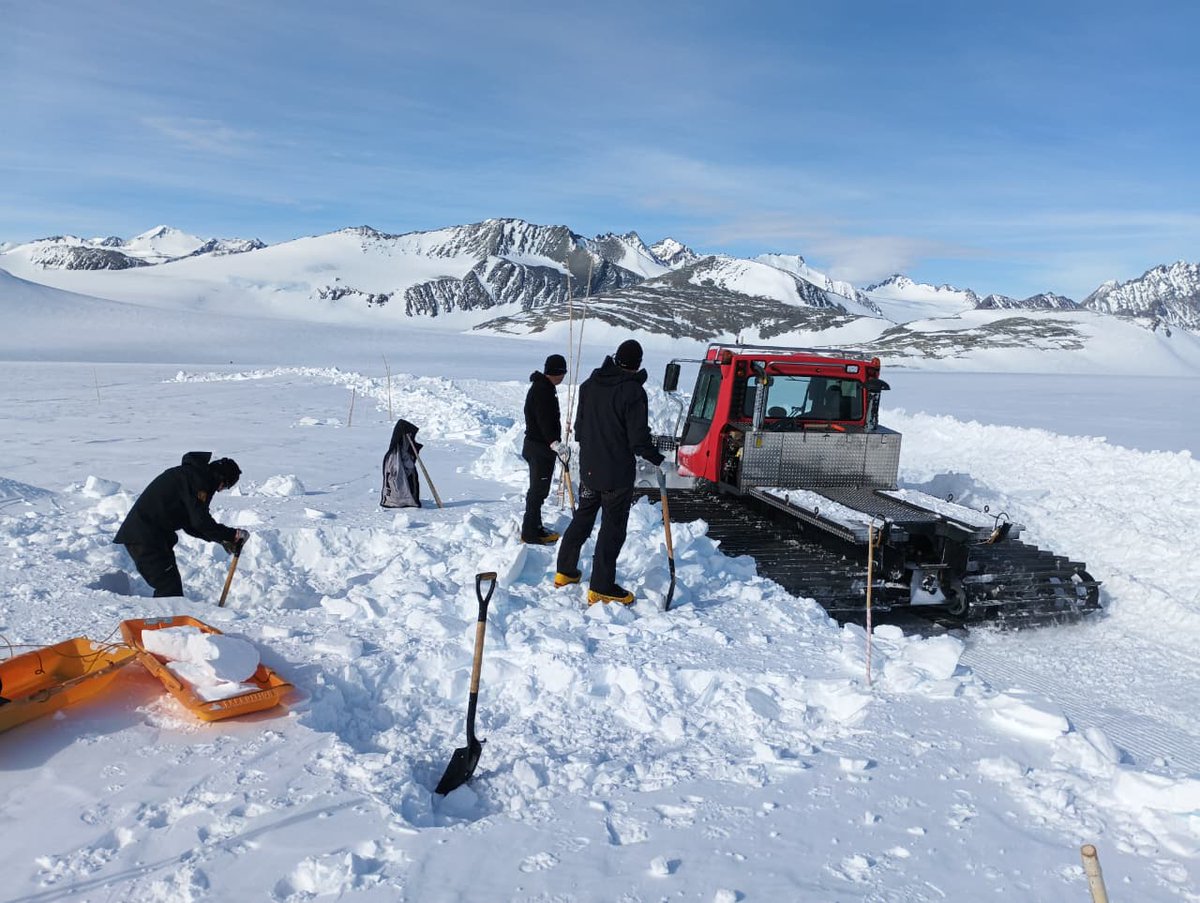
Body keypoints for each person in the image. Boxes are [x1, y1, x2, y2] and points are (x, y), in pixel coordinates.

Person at [554, 339, 665, 605]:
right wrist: (657, 458)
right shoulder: (632, 392)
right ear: (637, 364)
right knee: (612, 528)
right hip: (616, 473)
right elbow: (638, 439)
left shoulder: (589, 385)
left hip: (590, 468)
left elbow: (579, 430)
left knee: (583, 517)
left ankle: (565, 572)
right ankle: (602, 586)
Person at [114, 452, 247, 598]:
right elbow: (200, 521)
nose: (220, 490)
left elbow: (191, 524)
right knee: (168, 588)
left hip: (152, 536)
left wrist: (222, 539)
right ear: (222, 478)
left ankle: (167, 618)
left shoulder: (193, 476)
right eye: (226, 486)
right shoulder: (198, 480)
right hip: (145, 536)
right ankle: (163, 619)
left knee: (170, 587)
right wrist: (232, 535)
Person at [521, 353, 568, 543]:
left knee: (539, 490)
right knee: (537, 491)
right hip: (539, 448)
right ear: (556, 372)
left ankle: (536, 526)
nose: (564, 377)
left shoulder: (544, 387)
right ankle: (530, 533)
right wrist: (554, 443)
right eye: (562, 373)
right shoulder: (542, 390)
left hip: (539, 447)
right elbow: (544, 420)